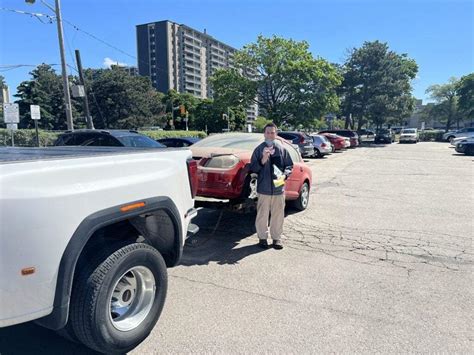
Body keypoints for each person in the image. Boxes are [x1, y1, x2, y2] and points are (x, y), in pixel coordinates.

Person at [250, 123, 293, 250]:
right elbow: (253, 168)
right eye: (268, 132)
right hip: (264, 188)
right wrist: (263, 158)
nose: (270, 134)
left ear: (276, 134)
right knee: (262, 214)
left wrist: (285, 176)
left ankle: (276, 239)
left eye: (272, 132)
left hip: (279, 188)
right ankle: (262, 239)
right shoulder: (258, 149)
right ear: (264, 134)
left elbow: (289, 166)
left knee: (278, 214)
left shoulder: (282, 149)